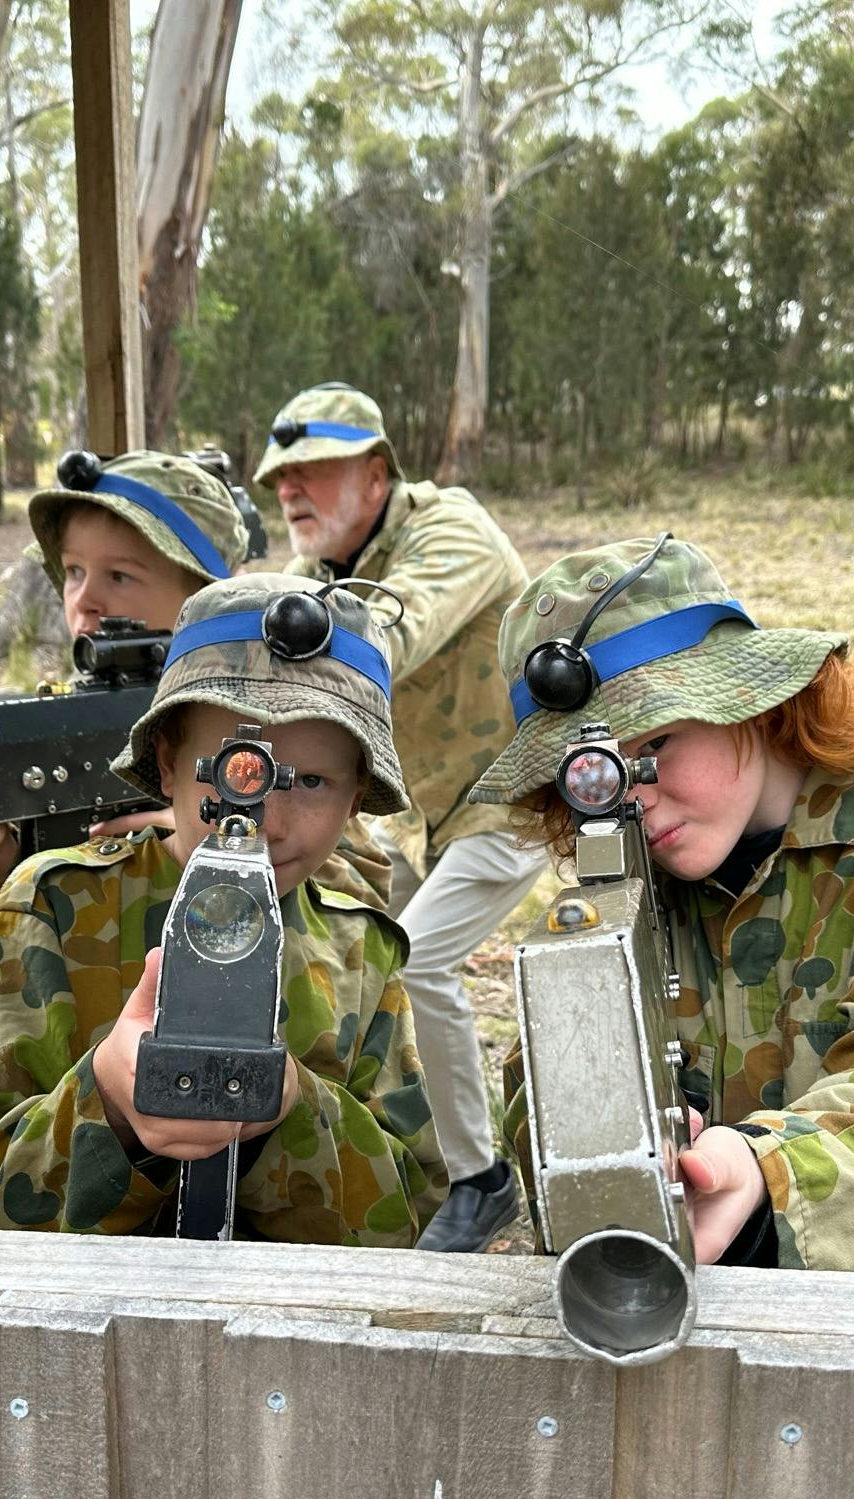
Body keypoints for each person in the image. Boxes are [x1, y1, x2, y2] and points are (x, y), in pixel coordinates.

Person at [471, 536, 854, 1272]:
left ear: (746, 701)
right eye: (593, 779)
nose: (632, 799)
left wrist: (763, 1173)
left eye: (659, 742)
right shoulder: (629, 874)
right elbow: (535, 1099)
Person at [0, 574, 448, 1243]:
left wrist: (287, 1110)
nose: (266, 821)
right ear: (167, 764)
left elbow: (402, 1224)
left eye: (312, 781)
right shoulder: (49, 914)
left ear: (357, 796)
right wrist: (107, 1103)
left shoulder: (361, 954)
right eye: (233, 772)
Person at [257, 383, 542, 1252]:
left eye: (313, 471)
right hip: (423, 813)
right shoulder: (319, 575)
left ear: (377, 474)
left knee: (420, 965)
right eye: (281, 479)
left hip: (517, 794)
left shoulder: (451, 530)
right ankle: (421, 1147)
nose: (291, 491)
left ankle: (481, 1180)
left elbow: (392, 629)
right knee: (375, 960)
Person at [0, 448, 390, 910]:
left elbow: (362, 900)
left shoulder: (280, 717)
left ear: (208, 594)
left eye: (119, 576)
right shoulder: (61, 715)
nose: (84, 598)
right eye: (73, 571)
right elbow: (34, 936)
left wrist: (192, 836)